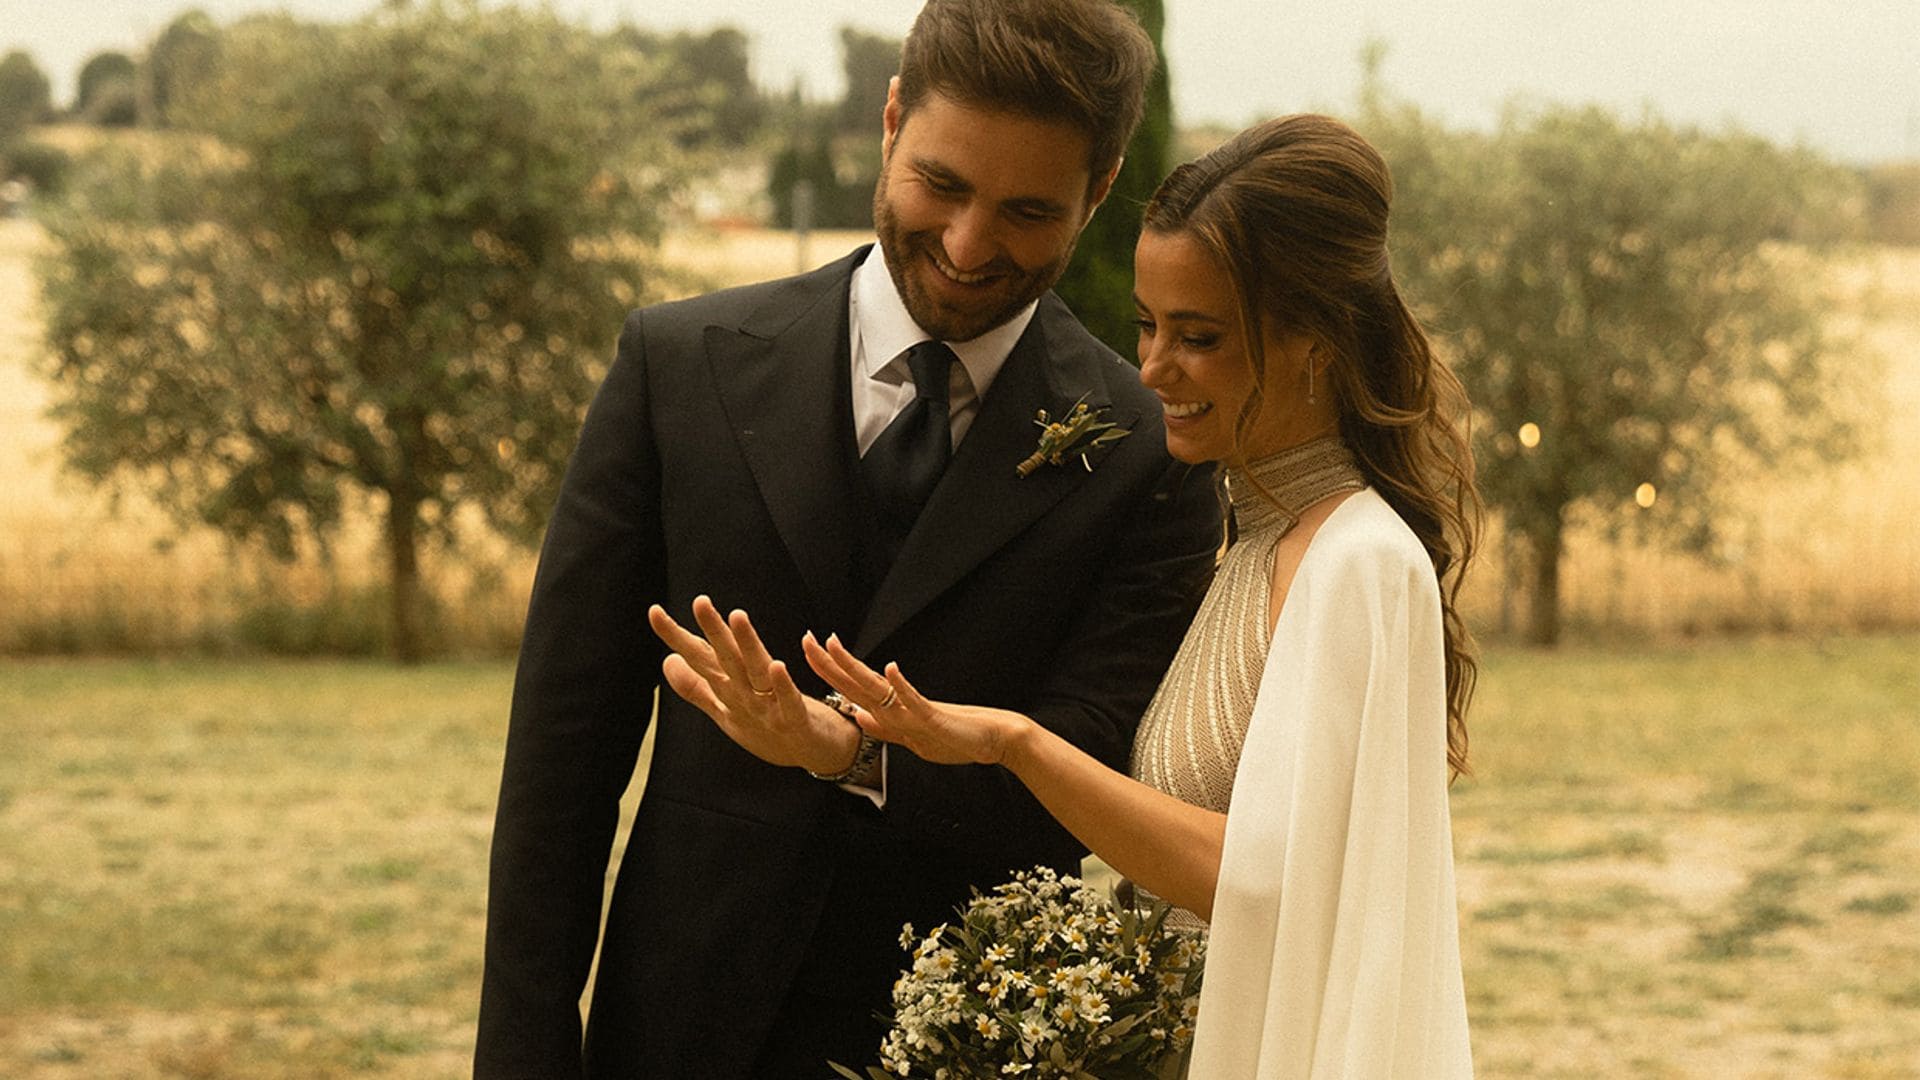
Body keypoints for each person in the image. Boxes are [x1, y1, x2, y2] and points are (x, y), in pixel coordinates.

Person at [475, 1, 1223, 1075]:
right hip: (677, 1032)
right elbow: (561, 759)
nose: (969, 247)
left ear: (1098, 191)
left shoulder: (1151, 453)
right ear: (888, 120)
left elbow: (1089, 767)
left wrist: (860, 756)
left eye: (1025, 210)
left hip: (962, 1041)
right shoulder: (678, 366)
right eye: (944, 186)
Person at [663, 114, 1481, 1077]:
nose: (1151, 369)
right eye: (1146, 324)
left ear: (1314, 344)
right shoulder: (1255, 542)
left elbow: (1258, 877)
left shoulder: (1359, 563)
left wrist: (1015, 741)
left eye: (1199, 336)